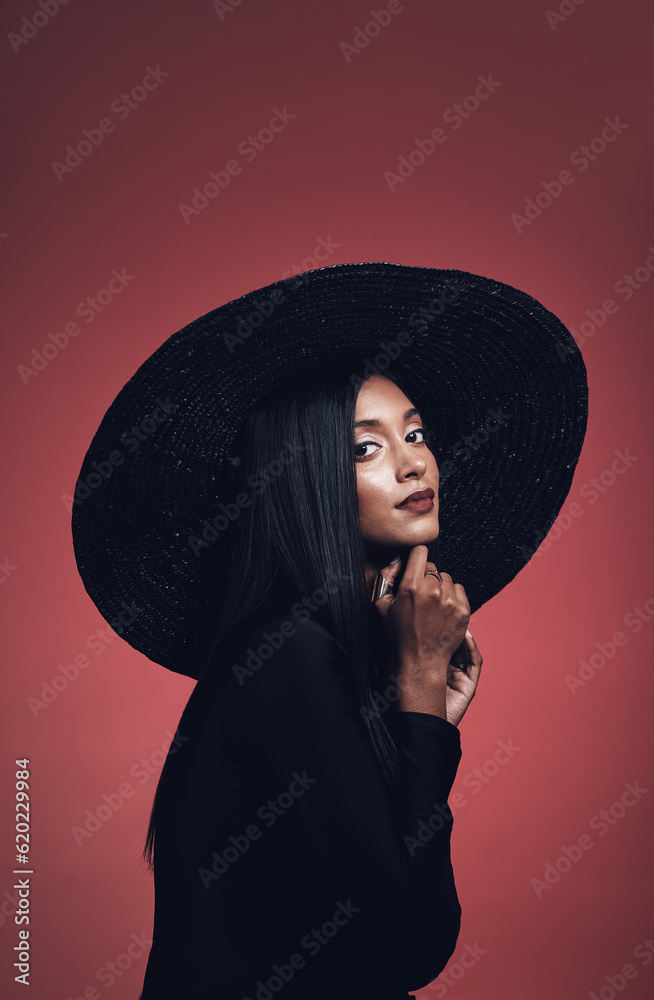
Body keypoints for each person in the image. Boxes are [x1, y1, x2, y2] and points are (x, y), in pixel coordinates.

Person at [70, 261, 588, 1000]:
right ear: (304, 479)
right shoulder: (286, 652)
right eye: (365, 447)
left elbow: (413, 940)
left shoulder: (328, 655)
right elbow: (407, 937)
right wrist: (419, 704)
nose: (415, 461)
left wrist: (424, 718)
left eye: (416, 432)